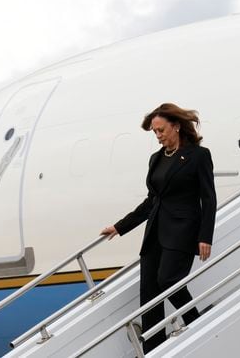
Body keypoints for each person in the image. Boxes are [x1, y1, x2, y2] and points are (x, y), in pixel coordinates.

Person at [100, 103, 217, 353]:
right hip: (155, 233)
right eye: (154, 132)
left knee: (168, 280)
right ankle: (155, 347)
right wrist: (120, 227)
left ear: (176, 126)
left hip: (183, 231)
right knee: (150, 295)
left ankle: (196, 320)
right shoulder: (155, 160)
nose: (158, 136)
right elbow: (151, 201)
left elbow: (208, 199)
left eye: (161, 130)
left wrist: (205, 236)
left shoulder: (198, 155)